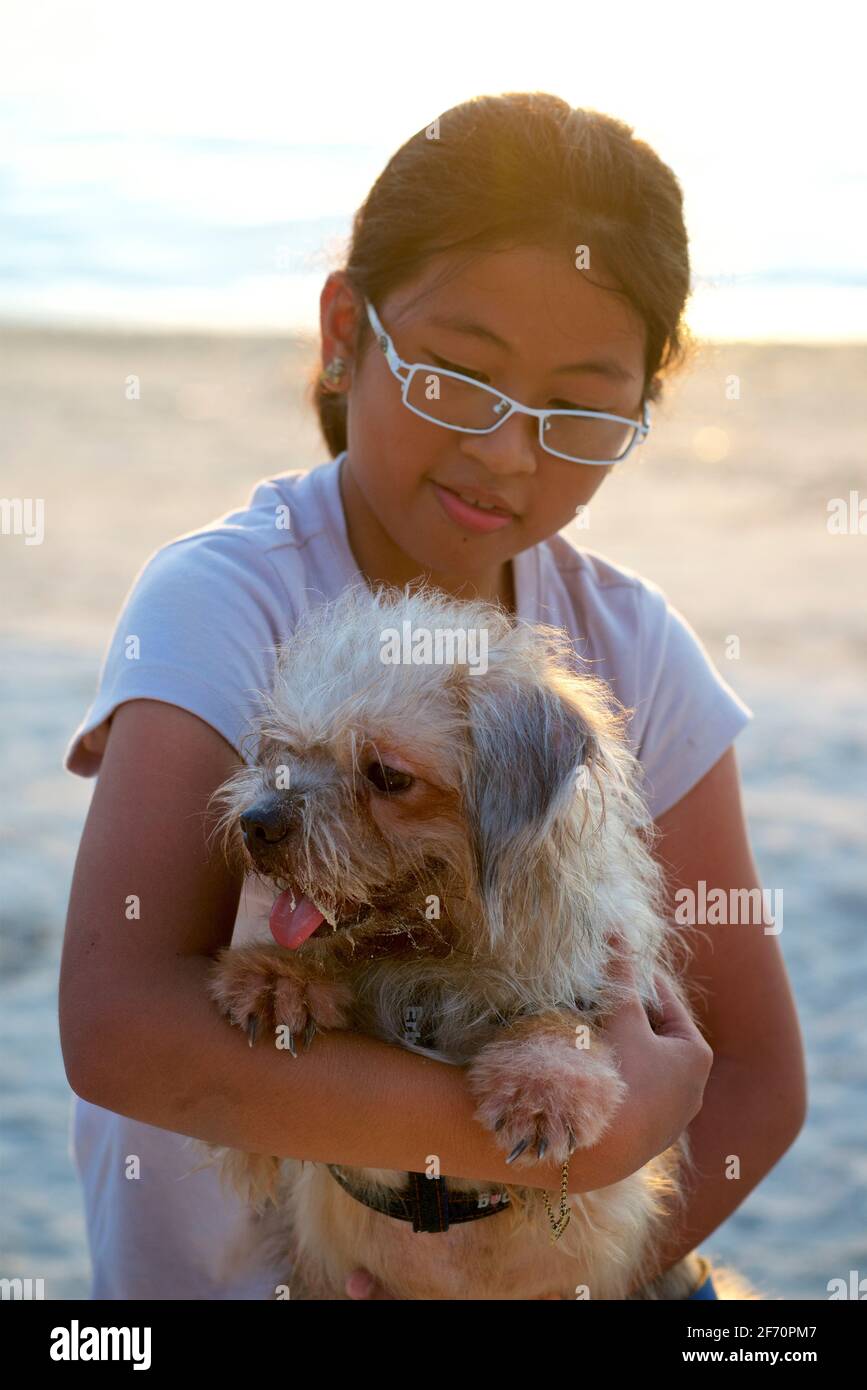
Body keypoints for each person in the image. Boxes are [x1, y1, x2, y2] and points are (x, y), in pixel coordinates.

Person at [60, 92, 806, 1301]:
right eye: (459, 377)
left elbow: (763, 1080)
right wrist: (593, 1140)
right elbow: (120, 1029)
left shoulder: (636, 649)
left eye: (579, 408)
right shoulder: (226, 599)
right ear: (346, 331)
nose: (508, 452)